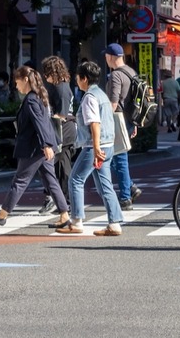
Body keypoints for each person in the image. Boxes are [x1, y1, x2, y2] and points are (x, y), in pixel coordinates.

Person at [0, 66, 70, 228]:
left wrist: (46, 144)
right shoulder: (39, 96)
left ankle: (3, 213)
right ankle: (64, 215)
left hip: (35, 147)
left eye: (17, 82)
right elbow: (43, 122)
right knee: (50, 180)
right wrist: (48, 144)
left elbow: (40, 122)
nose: (15, 86)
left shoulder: (31, 99)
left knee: (20, 180)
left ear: (25, 80)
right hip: (41, 146)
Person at [59, 61, 125, 236]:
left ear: (84, 79)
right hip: (108, 144)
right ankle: (115, 224)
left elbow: (94, 123)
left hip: (94, 146)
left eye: (78, 78)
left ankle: (76, 221)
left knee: (75, 179)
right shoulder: (101, 94)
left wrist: (95, 148)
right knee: (105, 184)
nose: (76, 81)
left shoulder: (90, 97)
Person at [103, 43, 142, 210]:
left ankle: (126, 196)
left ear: (111, 57)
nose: (106, 59)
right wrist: (135, 123)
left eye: (106, 56)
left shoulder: (116, 76)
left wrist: (102, 120)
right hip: (129, 120)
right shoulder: (131, 72)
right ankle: (130, 187)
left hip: (116, 120)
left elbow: (113, 102)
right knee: (116, 157)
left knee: (117, 158)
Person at [39, 55, 76, 214]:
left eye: (46, 72)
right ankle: (59, 200)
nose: (45, 76)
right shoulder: (62, 86)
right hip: (65, 130)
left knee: (62, 169)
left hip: (64, 131)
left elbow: (61, 114)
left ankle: (65, 202)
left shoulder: (60, 88)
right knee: (58, 167)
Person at [160, 68, 180, 132]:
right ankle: (172, 123)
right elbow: (179, 91)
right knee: (175, 112)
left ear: (165, 76)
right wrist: (179, 100)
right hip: (174, 99)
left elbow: (162, 92)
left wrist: (163, 99)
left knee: (168, 114)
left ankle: (169, 127)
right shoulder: (175, 82)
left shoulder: (163, 83)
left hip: (166, 99)